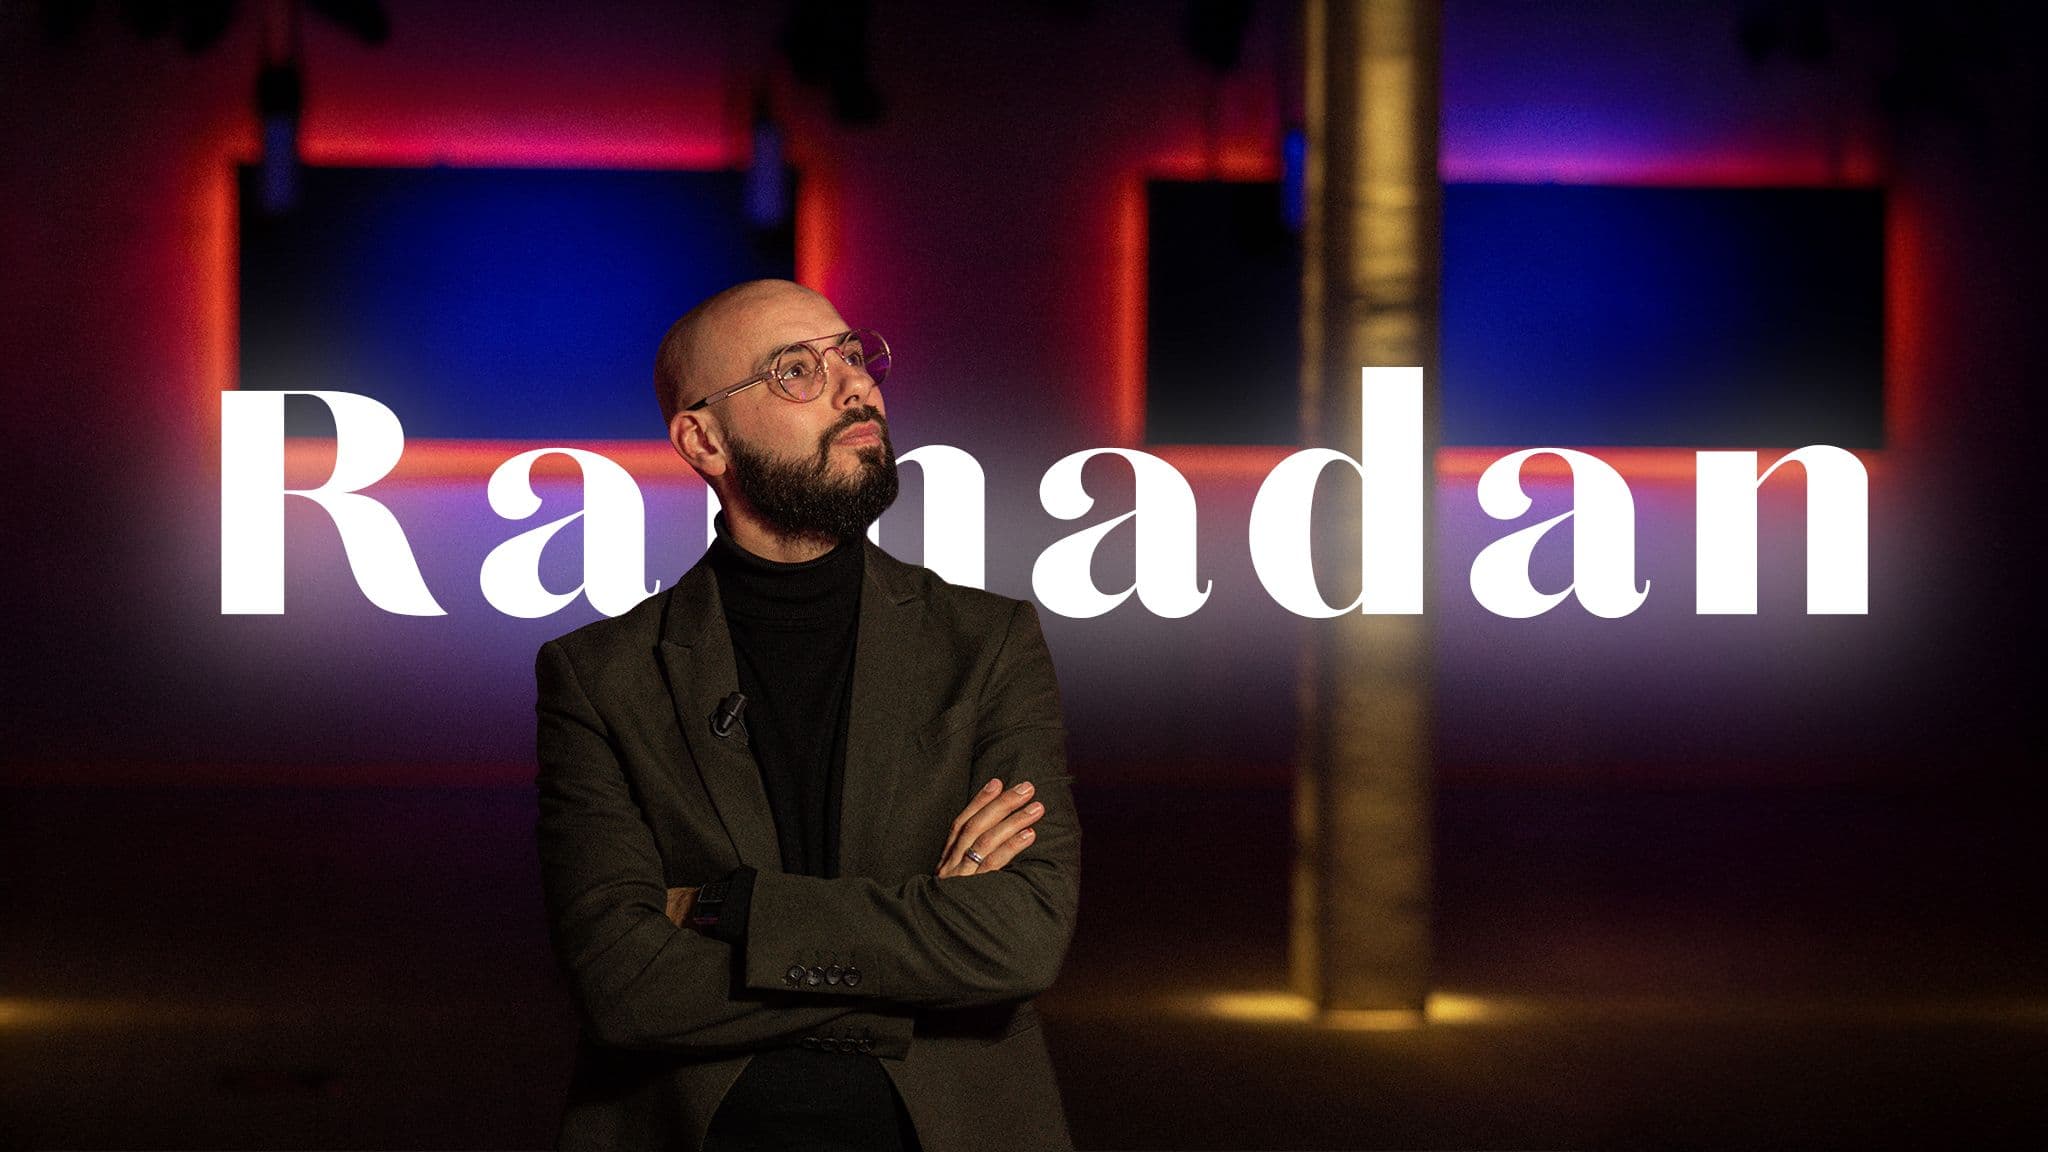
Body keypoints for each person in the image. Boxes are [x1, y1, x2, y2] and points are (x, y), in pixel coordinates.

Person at [534, 279, 1080, 1151]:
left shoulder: (988, 644)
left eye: (853, 355)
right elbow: (624, 986)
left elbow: (1019, 940)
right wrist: (919, 958)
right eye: (796, 370)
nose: (855, 386)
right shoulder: (601, 677)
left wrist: (735, 907)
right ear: (705, 440)